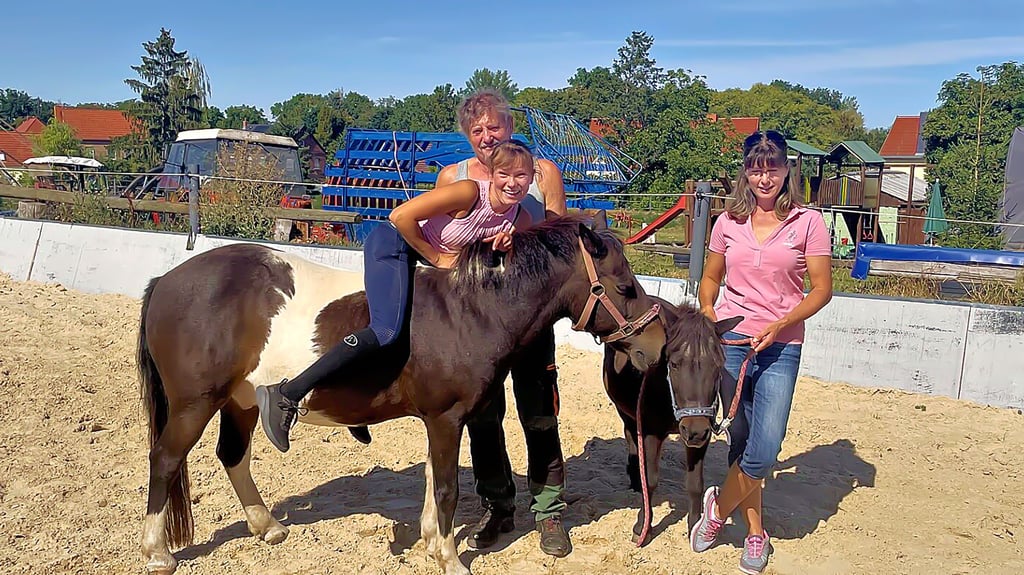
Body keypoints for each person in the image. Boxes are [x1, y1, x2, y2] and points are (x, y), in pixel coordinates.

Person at [255, 139, 535, 453]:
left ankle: (353, 401)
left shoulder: (520, 219)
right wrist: (438, 258)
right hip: (395, 244)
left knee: (412, 338)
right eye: (504, 174)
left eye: (521, 176)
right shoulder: (469, 192)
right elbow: (401, 216)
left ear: (532, 177)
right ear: (492, 174)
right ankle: (287, 394)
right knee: (386, 330)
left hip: (428, 262)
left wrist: (498, 249)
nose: (512, 183)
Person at [433, 89, 573, 557]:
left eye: (495, 127)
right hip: (476, 323)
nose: (488, 136)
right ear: (467, 135)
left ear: (510, 127)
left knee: (539, 414)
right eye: (478, 130)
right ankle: (498, 506)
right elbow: (441, 248)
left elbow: (560, 245)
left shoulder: (543, 173)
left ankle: (549, 511)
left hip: (530, 319)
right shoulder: (453, 177)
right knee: (484, 419)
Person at [692, 130, 833, 574]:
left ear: (787, 169)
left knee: (765, 450)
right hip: (732, 343)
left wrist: (780, 324)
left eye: (772, 166)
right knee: (742, 441)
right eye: (755, 166)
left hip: (781, 345)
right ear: (745, 171)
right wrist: (709, 310)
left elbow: (822, 289)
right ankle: (756, 533)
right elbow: (710, 279)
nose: (763, 176)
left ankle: (716, 510)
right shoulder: (726, 222)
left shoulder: (807, 222)